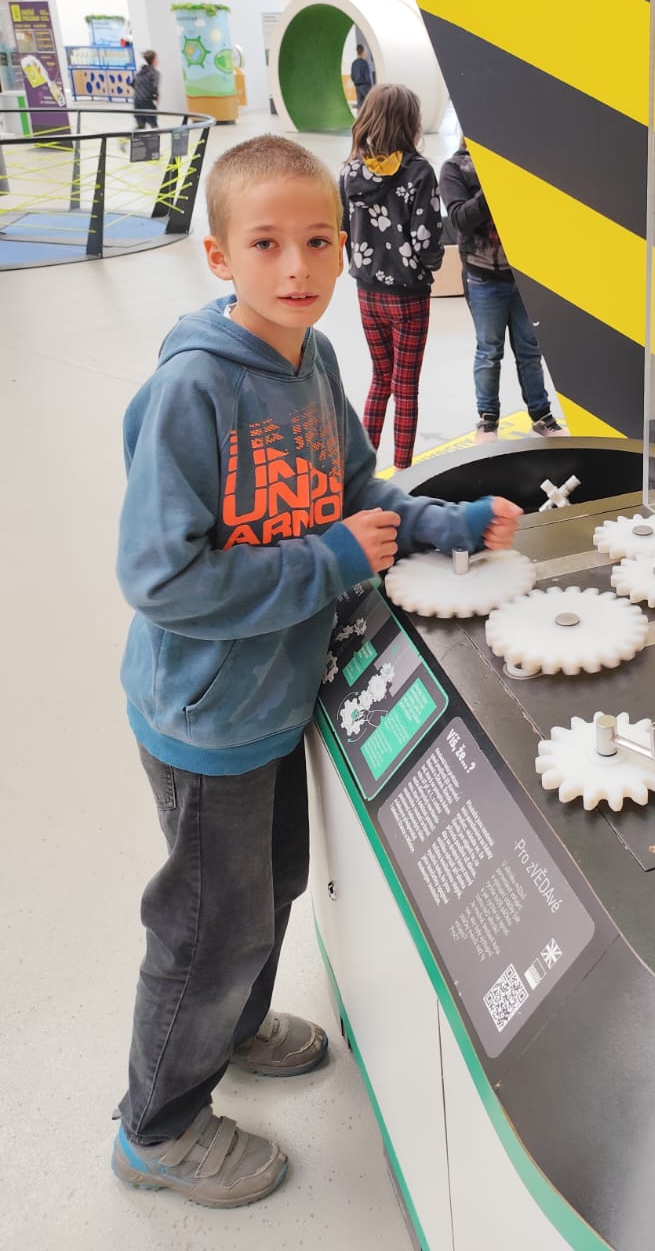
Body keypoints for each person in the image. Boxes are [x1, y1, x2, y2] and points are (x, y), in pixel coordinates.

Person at [111, 133, 521, 1209]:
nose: (297, 266)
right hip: (206, 719)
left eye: (318, 241)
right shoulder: (195, 389)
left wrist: (442, 523)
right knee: (208, 929)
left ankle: (235, 1026)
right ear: (218, 256)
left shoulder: (316, 362)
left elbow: (354, 489)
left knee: (272, 891)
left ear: (345, 246)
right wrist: (328, 562)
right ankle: (156, 1125)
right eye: (266, 243)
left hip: (274, 701)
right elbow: (159, 578)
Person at [339, 85, 444, 470]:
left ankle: (362, 473)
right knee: (405, 387)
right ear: (409, 121)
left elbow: (342, 229)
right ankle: (402, 472)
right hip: (409, 294)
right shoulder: (419, 172)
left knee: (380, 380)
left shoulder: (350, 171)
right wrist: (431, 264)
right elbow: (425, 239)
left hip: (367, 293)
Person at [440, 139, 568, 442]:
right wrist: (493, 184)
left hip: (522, 276)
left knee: (530, 350)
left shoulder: (519, 160)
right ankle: (488, 421)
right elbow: (459, 220)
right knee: (488, 351)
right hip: (482, 277)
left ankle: (542, 416)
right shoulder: (454, 168)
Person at [132, 49, 159, 131]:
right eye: (156, 58)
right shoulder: (154, 73)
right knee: (154, 125)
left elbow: (132, 83)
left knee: (140, 125)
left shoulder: (140, 71)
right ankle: (155, 138)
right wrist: (156, 97)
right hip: (146, 101)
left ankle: (129, 136)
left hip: (137, 100)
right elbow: (154, 87)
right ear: (154, 60)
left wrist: (139, 91)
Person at [349, 43, 373, 109]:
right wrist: (370, 87)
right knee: (370, 103)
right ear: (363, 52)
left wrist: (356, 83)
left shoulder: (354, 63)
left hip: (357, 86)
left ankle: (360, 115)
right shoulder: (364, 63)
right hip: (365, 86)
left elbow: (352, 76)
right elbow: (367, 76)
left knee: (360, 106)